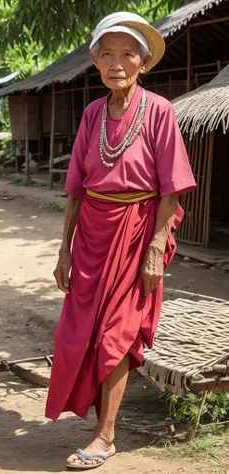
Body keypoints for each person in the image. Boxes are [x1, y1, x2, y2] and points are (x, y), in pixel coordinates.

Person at [46, 12, 196, 470]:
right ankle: (97, 421)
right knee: (80, 336)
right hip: (91, 232)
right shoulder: (92, 113)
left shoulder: (160, 111)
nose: (116, 62)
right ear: (94, 60)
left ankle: (104, 435)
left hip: (136, 233)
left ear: (143, 61)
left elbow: (171, 188)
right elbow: (76, 186)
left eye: (126, 53)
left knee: (116, 336)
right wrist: (64, 248)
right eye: (106, 54)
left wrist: (156, 247)